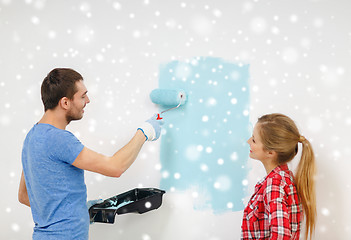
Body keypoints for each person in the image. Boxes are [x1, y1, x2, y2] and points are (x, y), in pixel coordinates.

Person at [18, 68, 163, 240]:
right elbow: (115, 167)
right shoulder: (59, 139)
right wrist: (144, 132)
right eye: (82, 96)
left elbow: (25, 196)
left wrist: (77, 209)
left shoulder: (32, 137)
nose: (88, 100)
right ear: (65, 102)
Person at [241, 113, 316, 240]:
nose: (248, 141)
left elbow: (281, 236)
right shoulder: (284, 179)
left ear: (270, 152)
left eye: (254, 139)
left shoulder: (274, 183)